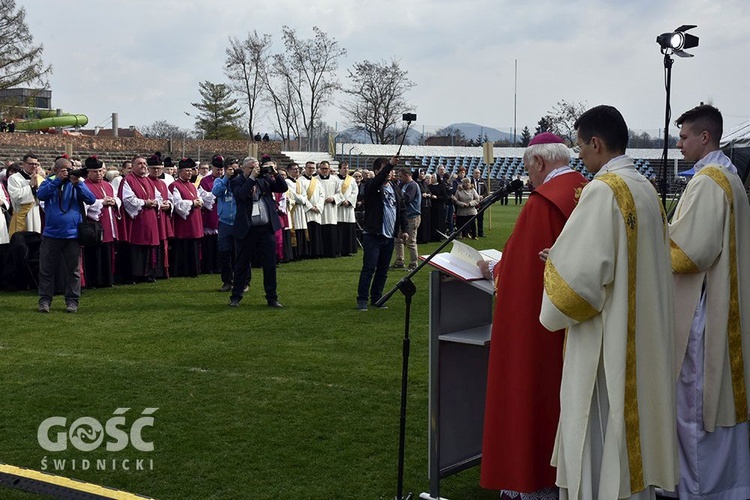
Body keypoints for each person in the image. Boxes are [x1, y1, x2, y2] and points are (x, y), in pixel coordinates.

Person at [539, 105, 679, 499]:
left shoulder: (603, 190)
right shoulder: (646, 189)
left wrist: (557, 265)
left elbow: (579, 285)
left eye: (581, 148)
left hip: (607, 340)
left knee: (601, 434)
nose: (581, 156)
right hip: (642, 333)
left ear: (596, 143)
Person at [480, 132, 588, 498]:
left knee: (535, 396)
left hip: (541, 325)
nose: (528, 177)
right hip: (579, 319)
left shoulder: (544, 202)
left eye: (529, 169)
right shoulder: (585, 190)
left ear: (539, 162)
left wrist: (496, 269)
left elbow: (523, 275)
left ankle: (533, 480)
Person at [666, 104, 750, 499]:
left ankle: (699, 488)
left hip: (707, 310)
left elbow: (689, 253)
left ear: (705, 137)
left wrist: (652, 240)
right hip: (727, 297)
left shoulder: (708, 181)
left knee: (697, 402)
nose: (679, 143)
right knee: (721, 400)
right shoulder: (730, 177)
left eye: (684, 137)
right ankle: (729, 485)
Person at [36, 158, 96, 313]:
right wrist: (57, 181)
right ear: (55, 170)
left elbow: (91, 199)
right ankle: (44, 300)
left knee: (73, 271)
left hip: (72, 235)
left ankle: (72, 301)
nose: (67, 172)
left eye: (69, 169)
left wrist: (78, 183)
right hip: (51, 234)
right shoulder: (48, 182)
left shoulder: (76, 184)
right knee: (46, 270)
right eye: (63, 169)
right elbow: (41, 195)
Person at [228, 156, 287, 308]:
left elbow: (282, 188)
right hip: (246, 230)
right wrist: (252, 177)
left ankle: (272, 297)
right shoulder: (237, 181)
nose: (255, 170)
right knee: (242, 264)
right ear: (244, 168)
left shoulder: (264, 179)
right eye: (251, 168)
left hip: (266, 229)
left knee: (269, 265)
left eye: (257, 167)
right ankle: (236, 297)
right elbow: (241, 195)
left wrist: (274, 173)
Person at [356, 157, 408, 311]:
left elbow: (402, 209)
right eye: (386, 169)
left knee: (383, 270)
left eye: (391, 170)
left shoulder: (395, 187)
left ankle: (377, 298)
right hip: (373, 235)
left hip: (389, 236)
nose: (389, 173)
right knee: (369, 268)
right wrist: (390, 164)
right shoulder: (371, 186)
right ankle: (362, 299)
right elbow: (378, 179)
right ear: (377, 171)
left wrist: (404, 229)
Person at [118, 155, 161, 283]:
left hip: (150, 216)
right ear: (133, 166)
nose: (143, 166)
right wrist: (144, 203)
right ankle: (135, 275)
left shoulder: (149, 181)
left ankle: (148, 274)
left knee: (150, 246)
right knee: (137, 247)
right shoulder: (128, 180)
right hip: (137, 218)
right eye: (140, 163)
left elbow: (157, 196)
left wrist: (155, 202)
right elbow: (127, 200)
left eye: (144, 163)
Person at [169, 158, 211, 278]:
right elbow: (177, 204)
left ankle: (194, 269)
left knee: (194, 246)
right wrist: (193, 204)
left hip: (195, 220)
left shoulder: (192, 186)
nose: (189, 173)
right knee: (183, 246)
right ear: (180, 172)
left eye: (191, 170)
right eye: (186, 170)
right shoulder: (174, 186)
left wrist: (199, 201)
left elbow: (200, 197)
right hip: (184, 222)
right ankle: (182, 270)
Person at [82, 156, 120, 288]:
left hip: (108, 221)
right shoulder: (84, 186)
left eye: (100, 171)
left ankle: (107, 279)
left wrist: (114, 202)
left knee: (107, 251)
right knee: (94, 253)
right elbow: (84, 205)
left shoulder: (108, 185)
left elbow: (117, 199)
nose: (98, 174)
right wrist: (101, 202)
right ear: (88, 172)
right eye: (95, 172)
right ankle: (93, 281)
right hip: (93, 225)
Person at [212, 158, 241, 292]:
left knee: (241, 253)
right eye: (230, 169)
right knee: (225, 253)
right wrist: (226, 178)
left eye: (235, 168)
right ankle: (227, 281)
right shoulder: (219, 181)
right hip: (224, 222)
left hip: (239, 221)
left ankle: (243, 281)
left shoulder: (241, 180)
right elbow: (215, 192)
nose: (233, 171)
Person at [145, 156, 174, 279]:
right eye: (153, 168)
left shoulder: (163, 183)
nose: (156, 171)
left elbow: (170, 199)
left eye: (158, 168)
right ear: (149, 169)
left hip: (163, 217)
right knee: (153, 244)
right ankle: (153, 271)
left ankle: (163, 271)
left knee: (163, 244)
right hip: (153, 217)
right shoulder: (146, 181)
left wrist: (169, 205)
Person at [390, 168, 420, 270]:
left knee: (410, 241)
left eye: (401, 176)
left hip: (412, 216)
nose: (399, 178)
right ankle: (399, 261)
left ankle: (414, 263)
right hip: (403, 217)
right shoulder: (403, 185)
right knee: (398, 240)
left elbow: (407, 199)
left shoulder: (413, 185)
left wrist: (398, 196)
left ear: (406, 175)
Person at [7, 153, 44, 236]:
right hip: (21, 214)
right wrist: (30, 186)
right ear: (23, 164)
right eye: (31, 164)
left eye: (36, 164)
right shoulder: (14, 178)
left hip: (35, 213)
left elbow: (43, 198)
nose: (34, 166)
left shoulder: (40, 179)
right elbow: (16, 196)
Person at [199, 155, 223, 274]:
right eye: (218, 169)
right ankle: (209, 266)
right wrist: (215, 195)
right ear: (213, 168)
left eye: (221, 170)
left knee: (221, 243)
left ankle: (220, 266)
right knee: (210, 243)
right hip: (211, 212)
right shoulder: (205, 181)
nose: (220, 172)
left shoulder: (226, 180)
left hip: (223, 213)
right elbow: (203, 196)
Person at [285, 162, 309, 259]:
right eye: (294, 169)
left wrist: (303, 199)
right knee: (294, 228)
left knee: (301, 228)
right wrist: (302, 199)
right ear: (288, 171)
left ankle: (301, 253)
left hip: (300, 208)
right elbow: (292, 195)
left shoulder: (298, 182)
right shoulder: (287, 182)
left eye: (298, 169)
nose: (296, 171)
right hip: (293, 208)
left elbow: (305, 195)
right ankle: (294, 253)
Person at [301, 161, 324, 257]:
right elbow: (302, 196)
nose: (311, 170)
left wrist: (318, 206)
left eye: (313, 168)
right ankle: (308, 252)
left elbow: (322, 195)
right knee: (308, 231)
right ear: (305, 168)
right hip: (307, 210)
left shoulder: (317, 181)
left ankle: (317, 252)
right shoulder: (300, 181)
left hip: (316, 210)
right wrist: (310, 207)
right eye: (309, 168)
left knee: (316, 231)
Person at [317, 160, 340, 258]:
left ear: (329, 169)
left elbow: (340, 193)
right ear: (319, 169)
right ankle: (321, 252)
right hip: (320, 209)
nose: (324, 170)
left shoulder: (335, 179)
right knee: (321, 230)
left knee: (331, 231)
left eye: (326, 168)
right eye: (322, 168)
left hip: (331, 208)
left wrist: (333, 198)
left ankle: (332, 252)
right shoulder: (315, 180)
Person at [336, 161, 358, 256]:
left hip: (348, 207)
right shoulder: (334, 179)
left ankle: (347, 250)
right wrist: (341, 201)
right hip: (338, 207)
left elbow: (355, 192)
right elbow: (335, 191)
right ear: (339, 169)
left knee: (348, 230)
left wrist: (348, 201)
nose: (346, 170)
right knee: (339, 229)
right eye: (344, 168)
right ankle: (338, 249)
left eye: (347, 168)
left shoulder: (352, 180)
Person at [428, 173, 450, 241]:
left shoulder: (441, 186)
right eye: (431, 177)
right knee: (433, 222)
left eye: (433, 177)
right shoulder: (429, 186)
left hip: (440, 207)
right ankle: (433, 236)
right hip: (432, 207)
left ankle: (439, 237)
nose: (432, 179)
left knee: (440, 222)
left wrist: (437, 197)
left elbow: (445, 197)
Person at [471, 168, 488, 237]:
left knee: (480, 218)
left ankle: (480, 232)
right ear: (473, 174)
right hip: (473, 202)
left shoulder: (482, 182)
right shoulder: (470, 181)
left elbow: (486, 192)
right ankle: (472, 232)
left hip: (481, 203)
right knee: (472, 218)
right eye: (476, 173)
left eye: (478, 173)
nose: (477, 174)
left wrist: (482, 196)